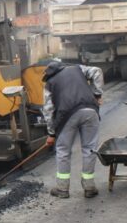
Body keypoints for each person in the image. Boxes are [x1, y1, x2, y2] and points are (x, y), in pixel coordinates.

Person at [42, 61, 104, 199]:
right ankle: (89, 187)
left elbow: (47, 110)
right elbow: (97, 71)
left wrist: (51, 133)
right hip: (90, 110)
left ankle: (62, 189)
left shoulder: (49, 83)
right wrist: (97, 94)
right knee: (90, 149)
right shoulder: (78, 68)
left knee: (63, 151)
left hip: (67, 115)